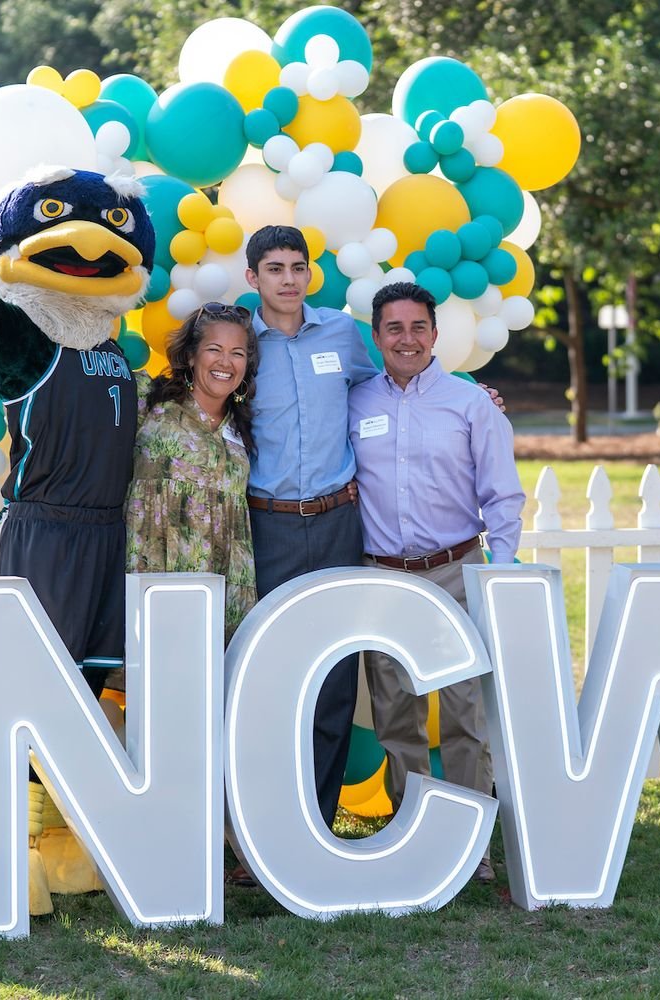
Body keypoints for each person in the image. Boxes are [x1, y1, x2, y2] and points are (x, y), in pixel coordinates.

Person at [348, 282, 524, 883]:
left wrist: (500, 572)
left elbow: (502, 494)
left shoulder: (471, 403)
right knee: (395, 711)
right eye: (394, 328)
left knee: (463, 713)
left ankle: (471, 846)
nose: (407, 339)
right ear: (377, 337)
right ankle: (412, 835)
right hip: (384, 577)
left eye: (418, 327)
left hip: (455, 570)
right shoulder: (355, 402)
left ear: (435, 333)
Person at [243, 226, 378, 833]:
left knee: (335, 673)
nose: (289, 279)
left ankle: (317, 824)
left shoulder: (342, 334)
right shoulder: (240, 343)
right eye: (275, 269)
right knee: (265, 673)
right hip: (265, 526)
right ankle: (263, 826)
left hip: (336, 523)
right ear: (253, 278)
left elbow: (385, 393)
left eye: (298, 267)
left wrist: (473, 397)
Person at [126, 302, 259, 640]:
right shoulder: (148, 400)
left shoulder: (244, 426)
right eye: (214, 349)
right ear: (190, 356)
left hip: (224, 578)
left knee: (217, 667)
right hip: (154, 568)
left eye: (237, 353)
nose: (225, 362)